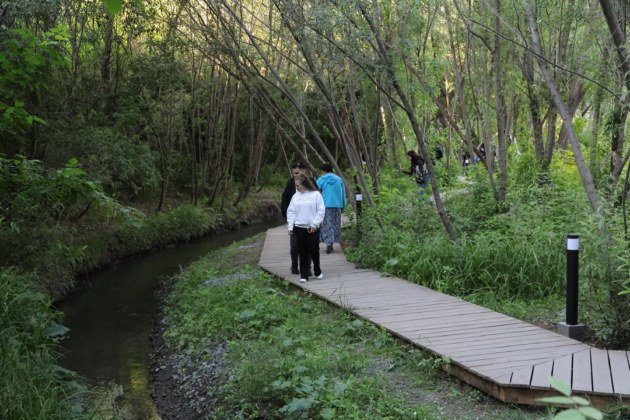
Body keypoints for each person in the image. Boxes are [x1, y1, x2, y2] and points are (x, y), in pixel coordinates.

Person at [287, 174, 325, 283]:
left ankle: (317, 270)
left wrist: (315, 225)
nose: (296, 188)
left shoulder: (316, 195)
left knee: (313, 249)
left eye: (298, 186)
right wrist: (290, 226)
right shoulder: (296, 196)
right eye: (295, 186)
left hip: (312, 228)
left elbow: (321, 210)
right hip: (299, 227)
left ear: (304, 184)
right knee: (302, 251)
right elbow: (291, 212)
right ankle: (304, 275)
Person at [281, 161, 314, 275]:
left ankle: (307, 268)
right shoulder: (290, 183)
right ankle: (294, 265)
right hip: (294, 220)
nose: (296, 170)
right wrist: (286, 214)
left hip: (309, 221)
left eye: (299, 168)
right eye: (294, 168)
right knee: (295, 245)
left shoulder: (312, 182)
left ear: (304, 170)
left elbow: (319, 200)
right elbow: (284, 199)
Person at [316, 163, 346, 254]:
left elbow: (316, 193)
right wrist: (343, 204)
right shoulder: (339, 179)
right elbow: (343, 194)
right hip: (337, 205)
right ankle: (332, 242)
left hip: (325, 205)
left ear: (324, 171)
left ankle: (328, 244)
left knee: (326, 224)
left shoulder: (321, 180)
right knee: (335, 223)